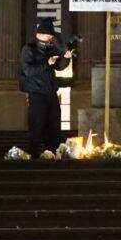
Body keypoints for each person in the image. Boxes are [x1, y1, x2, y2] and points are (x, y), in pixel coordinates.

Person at [19, 18, 73, 155]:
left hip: (51, 93)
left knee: (54, 126)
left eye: (51, 36)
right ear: (40, 34)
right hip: (36, 93)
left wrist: (66, 57)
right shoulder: (28, 49)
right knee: (37, 126)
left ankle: (54, 154)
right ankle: (34, 156)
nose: (50, 38)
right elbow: (28, 71)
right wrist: (47, 64)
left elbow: (59, 67)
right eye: (49, 35)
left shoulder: (50, 48)